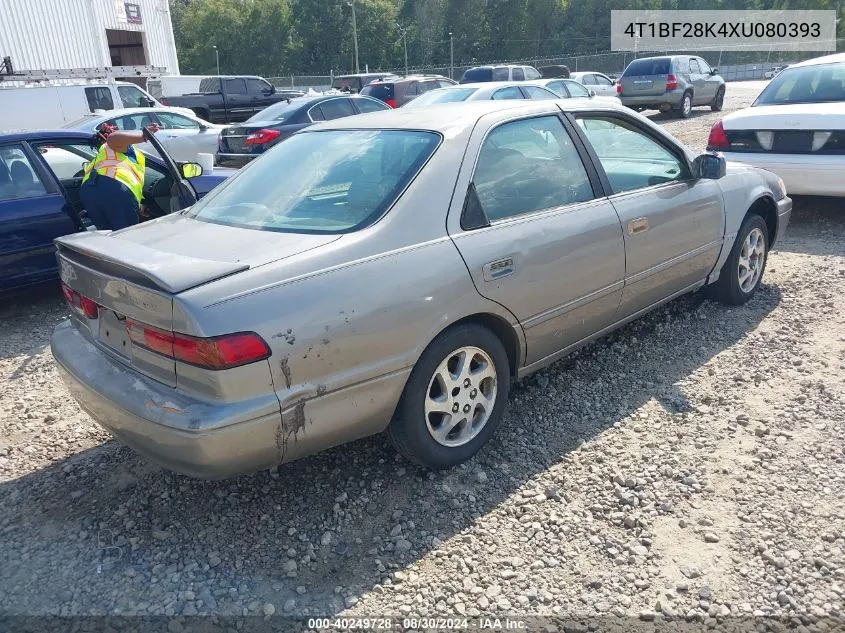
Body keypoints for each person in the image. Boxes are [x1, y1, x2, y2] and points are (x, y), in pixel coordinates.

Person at [80, 121, 158, 231]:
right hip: (112, 189)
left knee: (106, 233)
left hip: (89, 191)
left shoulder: (103, 155)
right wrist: (144, 136)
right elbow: (113, 138)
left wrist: (139, 206)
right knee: (124, 235)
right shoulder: (116, 146)